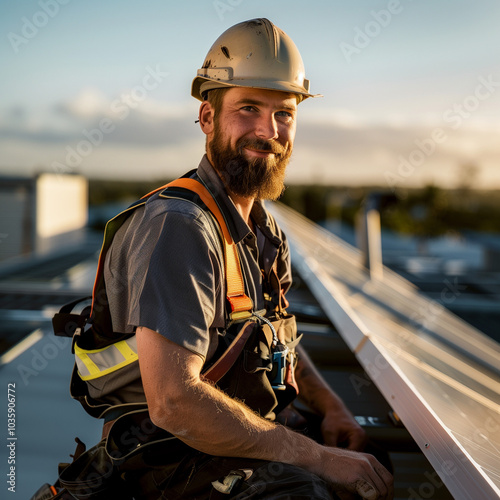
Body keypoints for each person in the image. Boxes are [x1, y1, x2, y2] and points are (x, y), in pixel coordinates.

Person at [78, 18, 394, 500]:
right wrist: (321, 459)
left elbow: (268, 337)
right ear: (207, 118)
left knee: (372, 457)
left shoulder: (261, 230)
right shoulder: (180, 227)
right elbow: (174, 402)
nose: (269, 131)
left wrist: (332, 409)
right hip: (168, 457)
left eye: (284, 114)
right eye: (248, 108)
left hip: (229, 438)